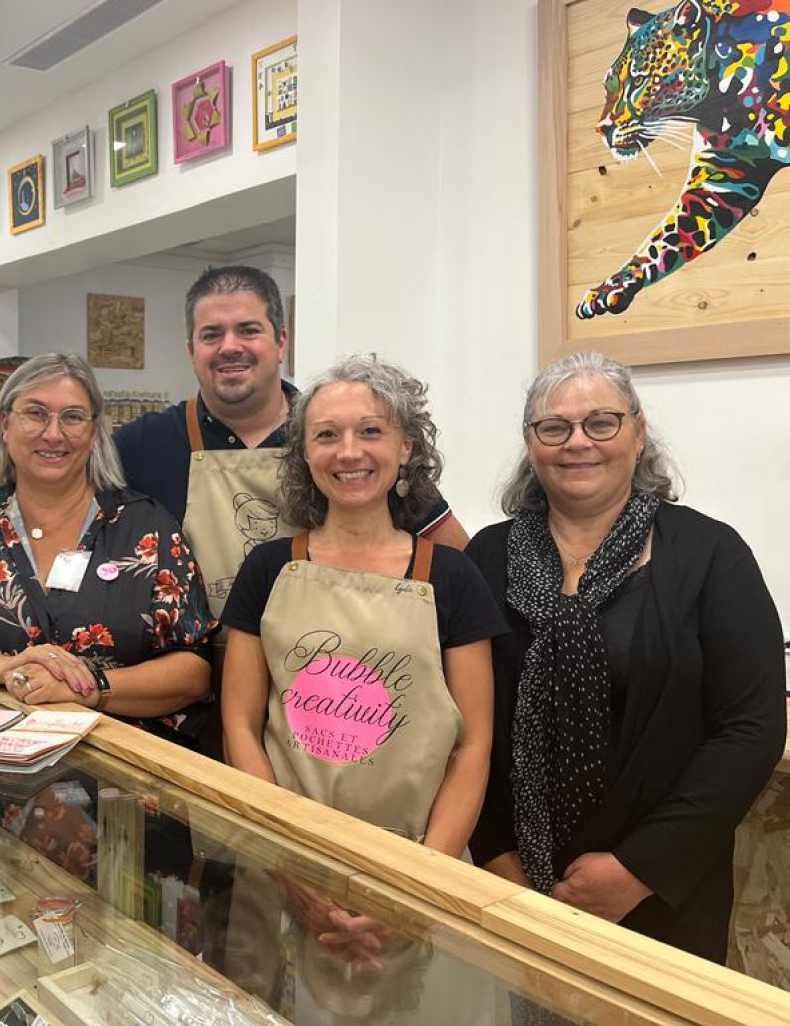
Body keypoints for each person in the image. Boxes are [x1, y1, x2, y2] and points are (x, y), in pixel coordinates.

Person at [466, 351, 785, 963]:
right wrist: (495, 850)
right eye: (553, 427)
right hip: (516, 882)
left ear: (638, 434)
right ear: (531, 444)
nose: (577, 442)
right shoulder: (488, 556)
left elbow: (750, 728)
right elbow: (463, 718)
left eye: (601, 423)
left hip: (662, 891)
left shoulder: (709, 554)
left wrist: (638, 868)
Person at [217, 355, 502, 1016]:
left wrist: (413, 888)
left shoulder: (453, 577)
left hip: (421, 870)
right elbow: (240, 725)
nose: (350, 452)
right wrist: (295, 872)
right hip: (286, 866)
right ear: (304, 453)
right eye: (326, 434)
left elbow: (473, 745)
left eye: (371, 432)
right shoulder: (268, 569)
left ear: (407, 447)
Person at [0, 352, 214, 745]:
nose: (53, 434)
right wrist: (3, 667)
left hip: (118, 780)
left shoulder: (145, 527)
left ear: (93, 433)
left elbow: (195, 672)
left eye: (72, 417)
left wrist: (88, 687)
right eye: (35, 413)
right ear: (5, 424)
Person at [114, 265, 469, 626]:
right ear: (191, 351)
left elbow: (456, 554)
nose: (230, 346)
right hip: (196, 672)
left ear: (281, 341)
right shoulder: (139, 446)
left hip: (334, 664)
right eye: (211, 335)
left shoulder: (336, 439)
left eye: (248, 330)